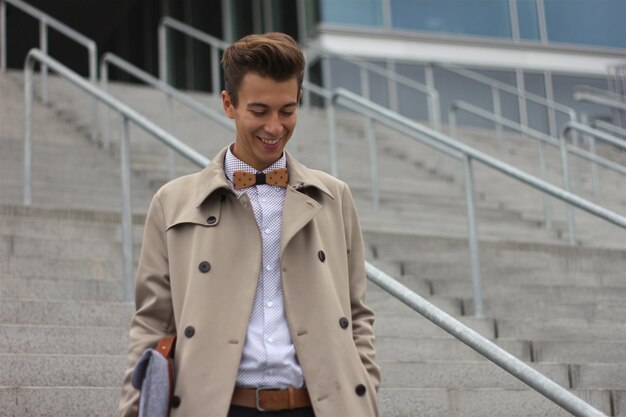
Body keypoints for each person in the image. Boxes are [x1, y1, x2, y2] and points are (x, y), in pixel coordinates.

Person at [118, 32, 380, 417]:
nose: (274, 127)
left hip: (318, 407)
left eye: (287, 111)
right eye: (259, 111)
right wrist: (132, 408)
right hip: (217, 407)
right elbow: (152, 322)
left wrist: (364, 393)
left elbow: (357, 315)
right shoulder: (173, 203)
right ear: (229, 104)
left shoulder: (333, 197)